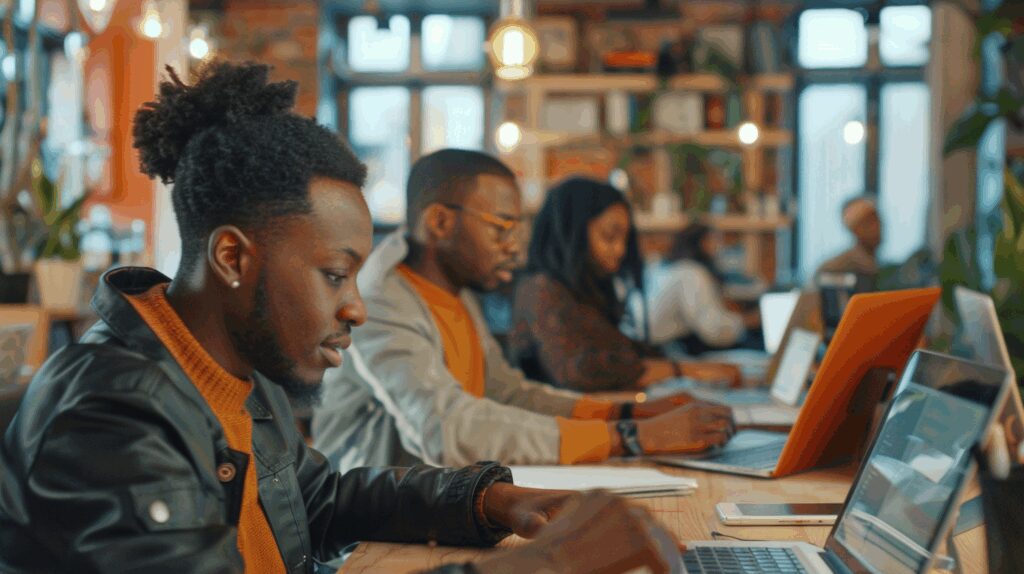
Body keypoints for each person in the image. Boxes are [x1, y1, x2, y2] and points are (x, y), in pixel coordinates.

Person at [0, 62, 685, 574]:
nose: (356, 305)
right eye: (335, 274)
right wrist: (543, 564)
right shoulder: (110, 414)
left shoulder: (240, 372)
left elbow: (322, 500)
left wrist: (488, 501)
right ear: (233, 257)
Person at [312, 150, 734, 473]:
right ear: (439, 222)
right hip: (369, 537)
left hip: (445, 501)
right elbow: (445, 430)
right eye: (501, 228)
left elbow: (507, 393)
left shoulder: (455, 292)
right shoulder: (378, 300)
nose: (513, 246)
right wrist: (630, 436)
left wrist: (626, 413)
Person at [507, 177, 743, 392]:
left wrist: (690, 369)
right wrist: (684, 370)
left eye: (625, 239)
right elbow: (582, 372)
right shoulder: (540, 289)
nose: (620, 250)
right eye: (609, 236)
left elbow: (624, 352)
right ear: (571, 233)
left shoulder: (582, 292)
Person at [644, 223, 760, 355]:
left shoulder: (662, 266)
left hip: (655, 345)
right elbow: (712, 330)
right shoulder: (691, 273)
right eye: (714, 240)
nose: (719, 246)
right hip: (665, 350)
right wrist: (748, 321)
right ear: (702, 242)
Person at [813, 196, 881, 290]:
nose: (877, 227)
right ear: (854, 229)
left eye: (877, 219)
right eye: (869, 222)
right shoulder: (833, 269)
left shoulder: (880, 267)